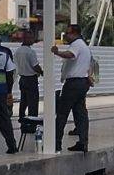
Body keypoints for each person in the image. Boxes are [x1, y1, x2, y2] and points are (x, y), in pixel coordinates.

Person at [52, 23, 97, 151]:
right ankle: (83, 142)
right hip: (82, 83)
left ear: (74, 33)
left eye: (68, 33)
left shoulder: (76, 45)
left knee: (62, 113)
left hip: (73, 84)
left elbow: (70, 55)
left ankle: (56, 143)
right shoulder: (84, 46)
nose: (66, 35)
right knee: (80, 113)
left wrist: (57, 52)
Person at [13, 28, 43, 123]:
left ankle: (22, 118)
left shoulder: (18, 51)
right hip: (31, 80)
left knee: (24, 101)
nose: (32, 40)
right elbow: (35, 66)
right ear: (25, 38)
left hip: (22, 79)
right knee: (33, 103)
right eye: (30, 38)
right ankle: (32, 122)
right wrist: (42, 72)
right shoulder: (30, 52)